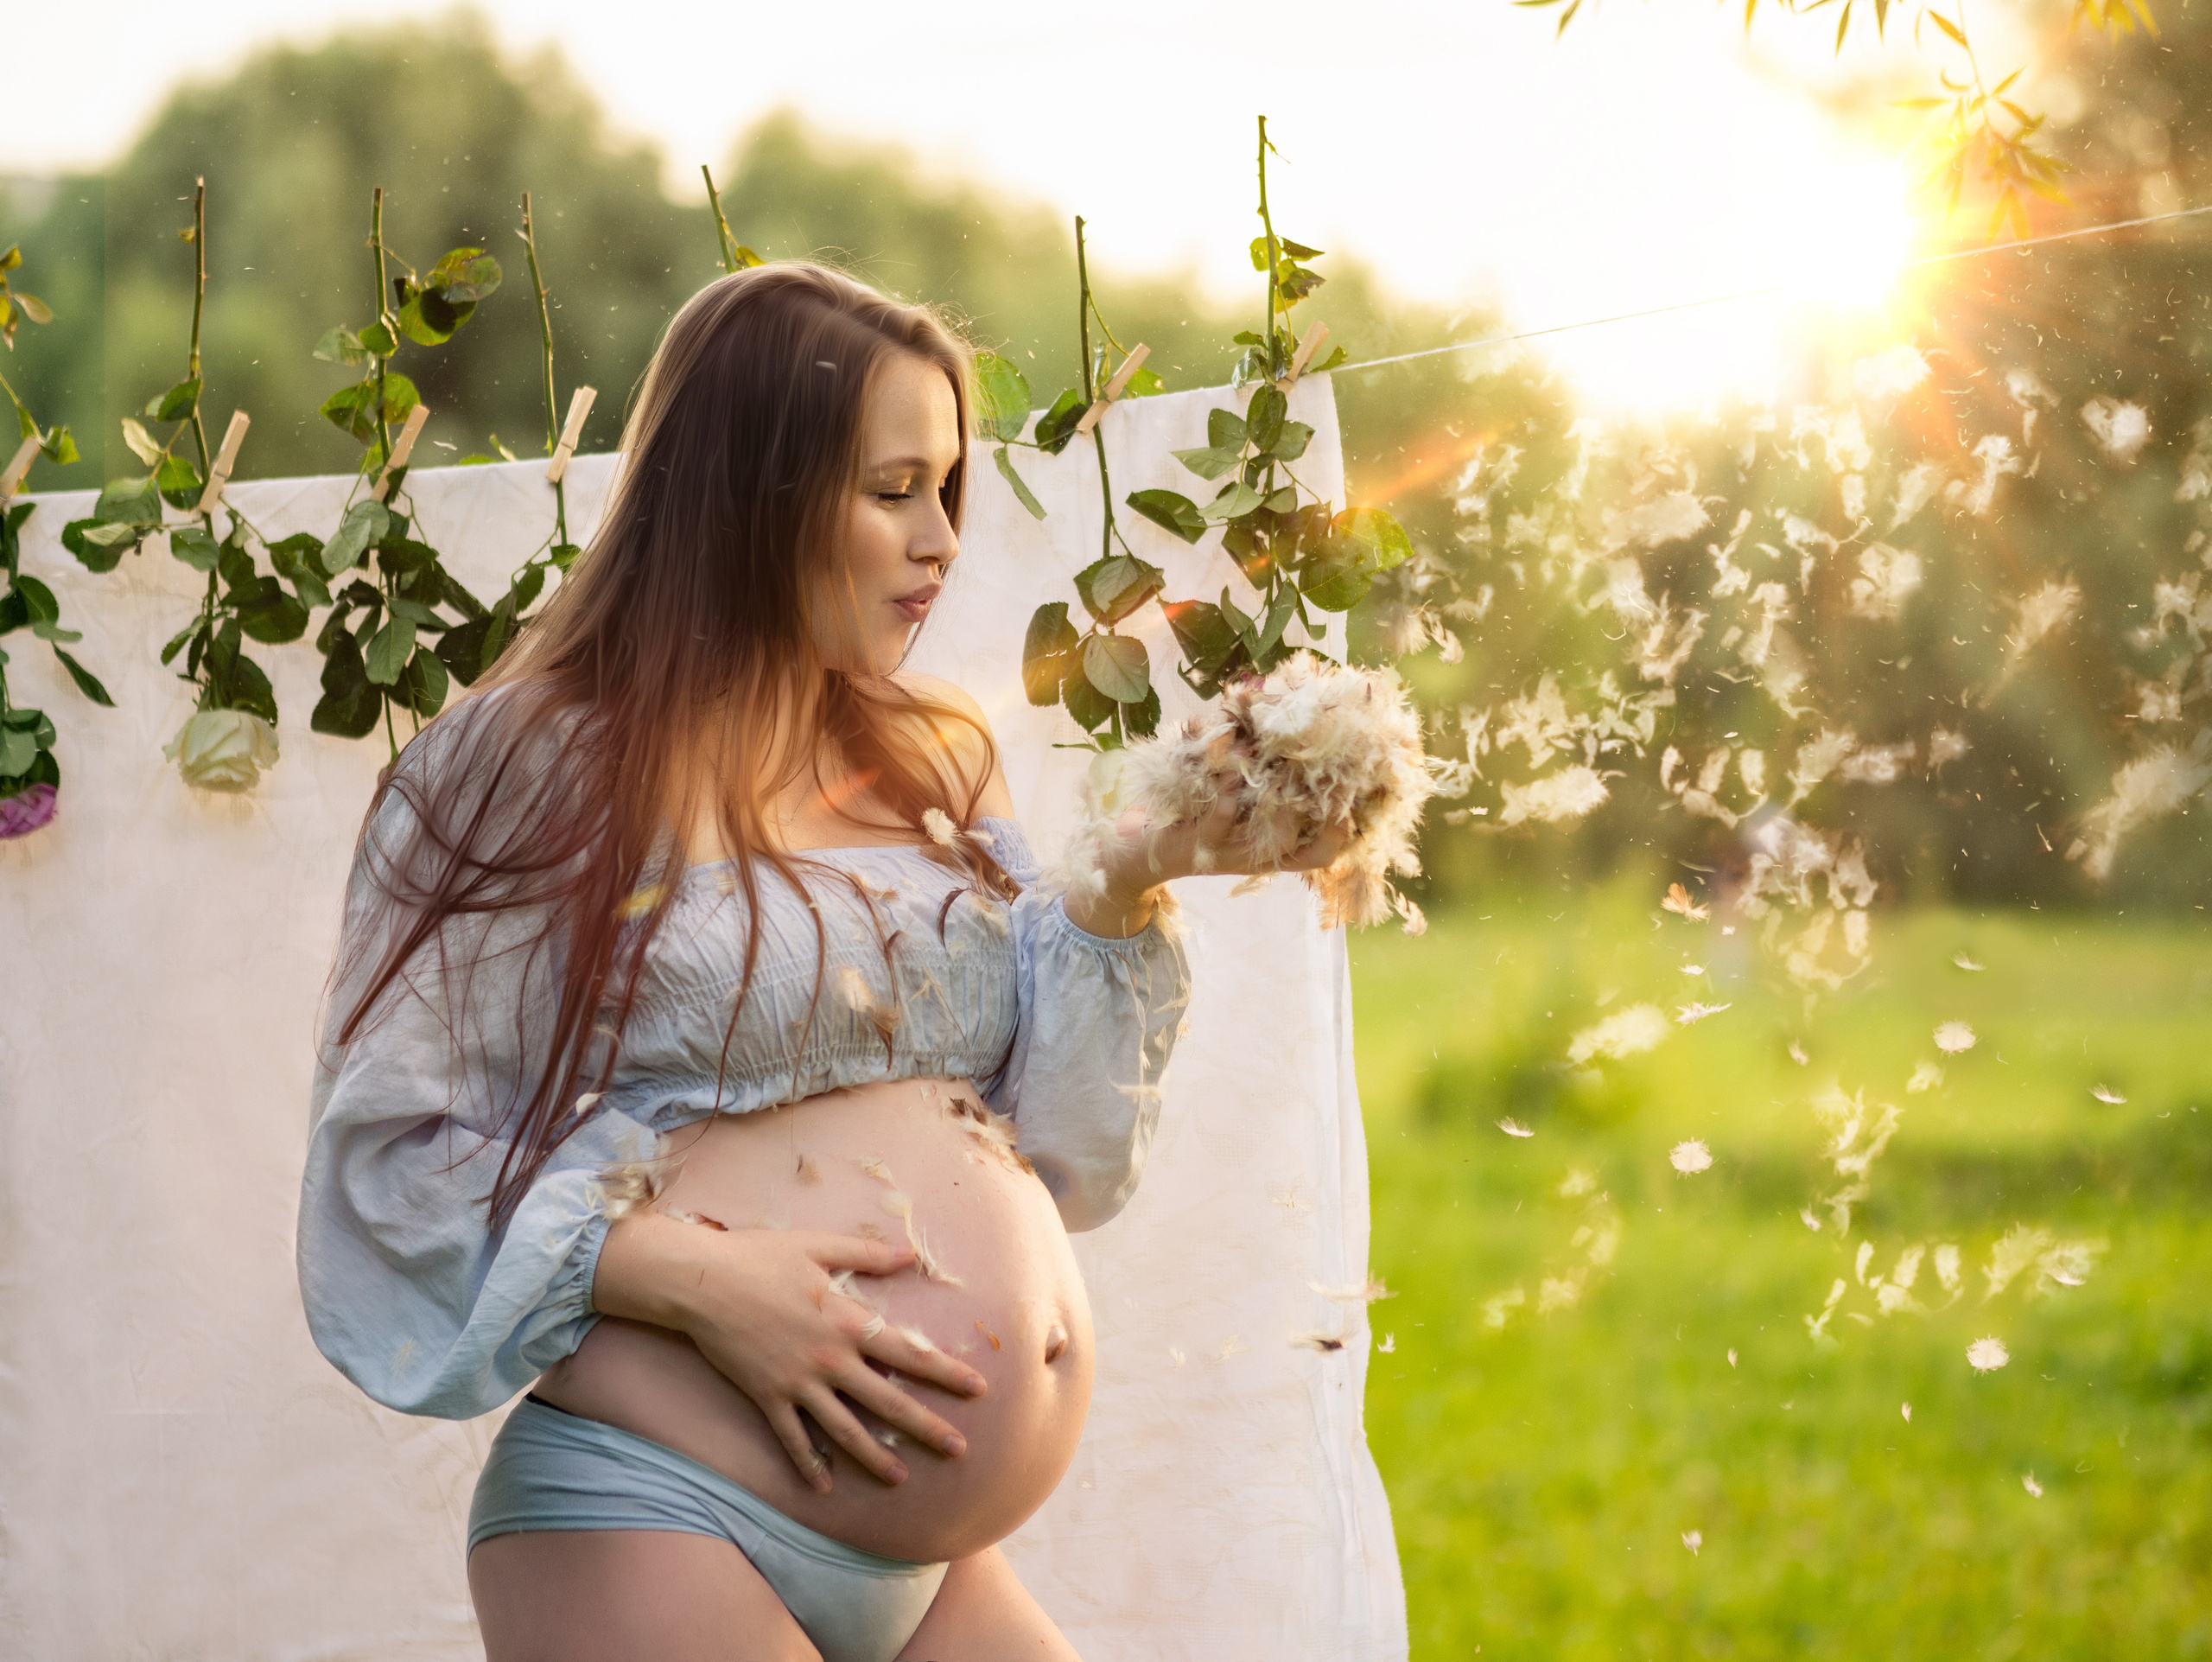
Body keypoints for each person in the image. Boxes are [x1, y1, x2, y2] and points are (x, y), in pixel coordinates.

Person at [296, 263, 1345, 1662]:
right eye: (893, 489)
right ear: (751, 492)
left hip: (933, 1559)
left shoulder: (935, 751)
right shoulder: (521, 764)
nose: (943, 542)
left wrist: (1121, 881)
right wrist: (696, 1280)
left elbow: (1067, 1155)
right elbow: (390, 1161)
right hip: (655, 1513)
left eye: (949, 490)